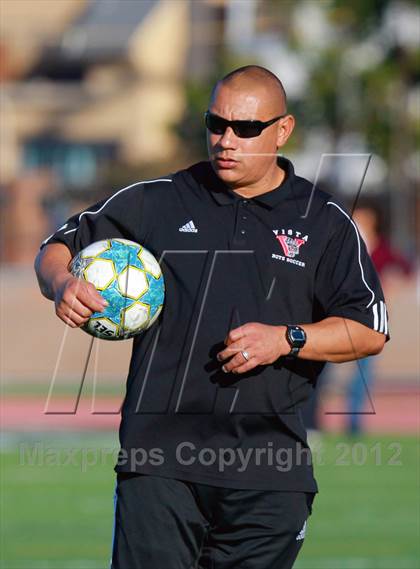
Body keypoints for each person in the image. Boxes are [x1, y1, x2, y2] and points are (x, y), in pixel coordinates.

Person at [34, 65, 389, 569]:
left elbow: (370, 329)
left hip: (269, 473)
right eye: (216, 123)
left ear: (282, 131)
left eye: (245, 129)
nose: (226, 140)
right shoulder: (158, 199)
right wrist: (63, 284)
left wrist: (287, 338)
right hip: (157, 463)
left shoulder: (324, 220)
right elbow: (58, 246)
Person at [346, 200, 411, 435]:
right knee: (321, 372)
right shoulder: (345, 244)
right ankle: (313, 422)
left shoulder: (382, 249)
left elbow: (405, 270)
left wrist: (389, 288)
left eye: (362, 217)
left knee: (362, 376)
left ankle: (353, 424)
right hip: (339, 319)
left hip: (369, 322)